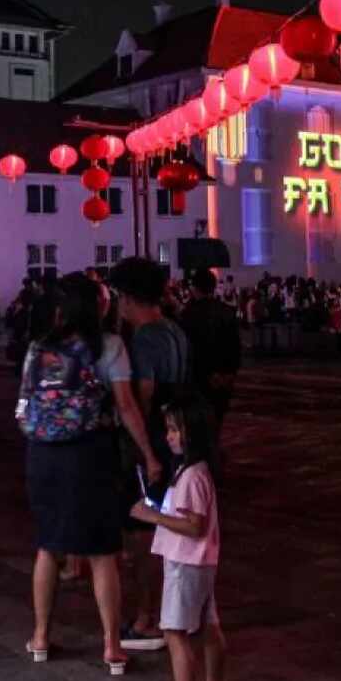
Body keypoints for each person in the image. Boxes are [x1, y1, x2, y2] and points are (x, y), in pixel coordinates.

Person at [19, 274, 163, 677]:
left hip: (42, 454)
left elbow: (23, 402)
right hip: (89, 453)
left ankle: (41, 637)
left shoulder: (39, 346)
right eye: (102, 298)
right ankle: (112, 647)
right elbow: (127, 407)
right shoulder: (109, 345)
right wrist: (149, 453)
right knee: (102, 553)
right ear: (93, 305)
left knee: (48, 547)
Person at [129, 394, 229, 681]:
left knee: (175, 632)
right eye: (169, 429)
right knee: (206, 627)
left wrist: (150, 515)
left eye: (175, 429)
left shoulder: (191, 476)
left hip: (186, 564)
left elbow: (194, 526)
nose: (169, 436)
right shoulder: (194, 472)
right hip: (199, 563)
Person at [108, 256, 191, 653]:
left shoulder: (144, 338)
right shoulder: (175, 330)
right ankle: (165, 610)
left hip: (152, 444)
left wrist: (140, 447)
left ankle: (147, 616)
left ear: (127, 298)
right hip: (177, 438)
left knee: (143, 534)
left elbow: (141, 396)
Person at [178, 269, 242, 433]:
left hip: (198, 376)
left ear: (194, 288)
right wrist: (229, 373)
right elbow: (235, 346)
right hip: (222, 375)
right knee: (216, 420)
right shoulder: (226, 311)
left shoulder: (188, 314)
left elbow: (187, 348)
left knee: (198, 426)